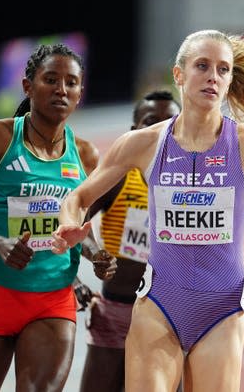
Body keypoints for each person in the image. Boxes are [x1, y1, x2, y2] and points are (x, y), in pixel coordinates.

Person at [51, 27, 244, 392]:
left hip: (222, 309)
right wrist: (68, 225)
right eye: (202, 66)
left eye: (223, 69)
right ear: (179, 74)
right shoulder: (143, 144)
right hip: (158, 304)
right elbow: (77, 199)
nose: (213, 77)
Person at [0, 43, 117, 392]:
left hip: (52, 297)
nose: (61, 89)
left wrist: (95, 253)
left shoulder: (85, 154)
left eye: (71, 82)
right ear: (27, 86)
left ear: (80, 93)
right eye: (50, 79)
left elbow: (77, 227)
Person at [78, 90, 180, 392]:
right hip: (117, 311)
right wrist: (94, 254)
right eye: (151, 122)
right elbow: (74, 216)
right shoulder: (120, 176)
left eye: (170, 121)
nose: (161, 129)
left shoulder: (192, 181)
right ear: (135, 131)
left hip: (170, 315)